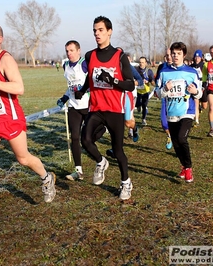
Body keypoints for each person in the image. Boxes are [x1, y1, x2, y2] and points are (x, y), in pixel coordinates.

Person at [0, 22, 56, 225]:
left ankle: (46, 177)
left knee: (23, 158)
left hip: (10, 118)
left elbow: (19, 87)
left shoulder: (5, 59)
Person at [75, 16, 135, 200]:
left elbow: (130, 85)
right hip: (96, 108)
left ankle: (126, 183)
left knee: (118, 151)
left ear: (109, 31)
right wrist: (82, 90)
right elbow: (89, 77)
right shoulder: (90, 55)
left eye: (100, 30)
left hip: (115, 110)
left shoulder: (120, 56)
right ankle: (101, 162)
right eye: (94, 30)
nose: (97, 34)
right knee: (85, 140)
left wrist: (114, 81)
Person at [154, 42, 202, 182]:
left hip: (187, 111)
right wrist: (165, 90)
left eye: (178, 53)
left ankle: (188, 168)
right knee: (175, 142)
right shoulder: (164, 72)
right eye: (173, 53)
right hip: (171, 112)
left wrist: (195, 91)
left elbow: (199, 94)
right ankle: (183, 165)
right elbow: (158, 93)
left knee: (182, 138)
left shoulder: (191, 72)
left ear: (184, 55)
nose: (175, 56)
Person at [56, 40, 89, 181]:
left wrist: (84, 91)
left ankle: (100, 160)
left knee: (89, 138)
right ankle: (78, 170)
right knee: (75, 137)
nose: (69, 53)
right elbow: (70, 86)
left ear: (78, 51)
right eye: (67, 51)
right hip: (73, 106)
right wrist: (64, 97)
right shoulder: (66, 65)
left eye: (71, 50)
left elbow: (93, 82)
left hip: (88, 105)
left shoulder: (85, 64)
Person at [154, 50, 173, 150]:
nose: (169, 57)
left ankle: (179, 140)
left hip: (177, 99)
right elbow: (157, 82)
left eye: (171, 55)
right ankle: (170, 136)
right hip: (165, 98)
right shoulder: (162, 67)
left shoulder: (178, 67)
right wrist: (157, 90)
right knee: (164, 123)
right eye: (167, 55)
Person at [135, 56, 155, 126]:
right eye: (140, 62)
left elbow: (152, 81)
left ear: (146, 63)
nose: (141, 64)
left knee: (144, 105)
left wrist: (150, 81)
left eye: (143, 62)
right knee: (136, 104)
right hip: (137, 91)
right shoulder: (136, 70)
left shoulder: (148, 71)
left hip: (146, 91)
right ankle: (138, 106)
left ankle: (143, 119)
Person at [190, 50, 205, 127]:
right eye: (196, 57)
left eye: (198, 57)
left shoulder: (204, 66)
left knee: (205, 106)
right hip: (195, 88)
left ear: (201, 57)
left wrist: (204, 86)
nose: (197, 58)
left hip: (203, 87)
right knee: (196, 101)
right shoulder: (191, 67)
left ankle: (201, 107)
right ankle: (196, 120)